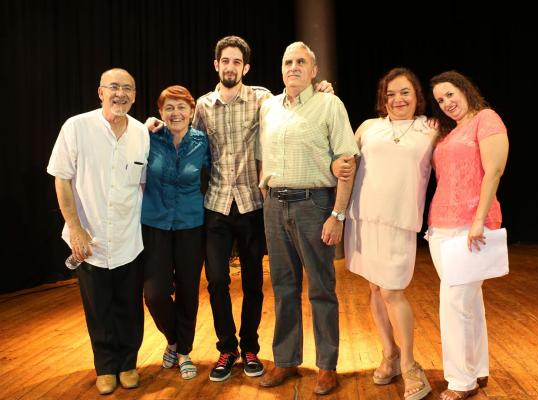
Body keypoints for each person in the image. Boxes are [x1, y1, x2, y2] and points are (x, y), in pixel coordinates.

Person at [147, 35, 334, 382]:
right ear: (216, 65)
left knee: (252, 283)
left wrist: (321, 87)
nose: (230, 67)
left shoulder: (263, 99)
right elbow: (184, 136)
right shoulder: (201, 105)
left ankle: (250, 347)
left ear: (245, 67)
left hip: (252, 203)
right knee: (217, 280)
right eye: (225, 61)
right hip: (216, 204)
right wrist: (152, 127)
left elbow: (295, 101)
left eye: (237, 62)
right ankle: (226, 347)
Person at [257, 41, 359, 396]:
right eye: (288, 61)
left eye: (301, 61)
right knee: (283, 288)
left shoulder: (330, 104)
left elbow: (347, 162)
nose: (293, 67)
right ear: (281, 68)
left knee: (321, 289)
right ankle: (285, 360)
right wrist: (265, 192)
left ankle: (327, 366)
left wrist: (338, 215)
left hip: (313, 205)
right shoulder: (268, 107)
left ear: (314, 71)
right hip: (274, 205)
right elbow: (261, 156)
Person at [47, 68, 149, 395]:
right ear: (100, 92)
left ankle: (128, 363)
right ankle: (105, 366)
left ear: (134, 95)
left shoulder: (141, 133)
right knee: (98, 307)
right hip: (88, 240)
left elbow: (144, 186)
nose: (120, 94)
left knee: (130, 306)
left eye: (127, 89)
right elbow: (61, 178)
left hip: (129, 238)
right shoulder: (76, 127)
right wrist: (75, 229)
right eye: (114, 87)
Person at [337, 67, 434, 400]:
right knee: (375, 289)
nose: (397, 99)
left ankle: (410, 365)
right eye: (390, 94)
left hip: (400, 222)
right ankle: (389, 354)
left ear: (416, 95)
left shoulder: (430, 129)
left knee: (393, 291)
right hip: (364, 219)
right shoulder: (369, 127)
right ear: (383, 99)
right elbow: (344, 162)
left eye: (404, 92)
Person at [427, 70, 509, 400]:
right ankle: (477, 370)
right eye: (439, 100)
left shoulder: (486, 119)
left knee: (454, 302)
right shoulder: (450, 132)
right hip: (440, 226)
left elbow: (494, 171)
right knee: (468, 303)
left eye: (450, 94)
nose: (446, 103)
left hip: (470, 227)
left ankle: (462, 382)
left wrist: (478, 221)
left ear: (464, 89)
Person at [141, 85, 210, 380]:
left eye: (181, 107)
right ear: (160, 113)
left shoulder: (202, 142)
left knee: (188, 292)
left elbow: (213, 175)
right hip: (155, 224)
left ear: (192, 111)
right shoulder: (149, 139)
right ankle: (173, 339)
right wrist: (143, 127)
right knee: (155, 294)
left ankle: (183, 352)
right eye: (169, 107)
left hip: (191, 225)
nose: (175, 113)